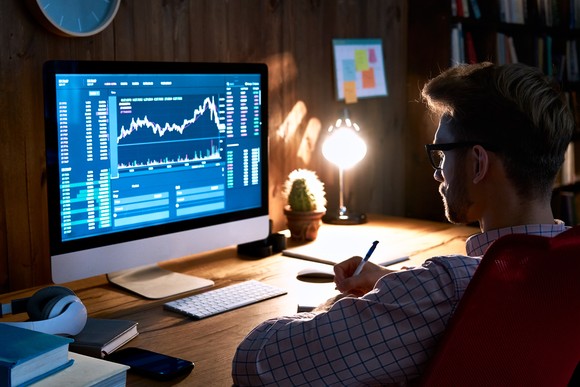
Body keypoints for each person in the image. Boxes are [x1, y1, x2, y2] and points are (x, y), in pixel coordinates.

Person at [232, 62, 574, 386]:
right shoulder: (564, 267)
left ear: (477, 164)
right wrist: (397, 284)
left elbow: (258, 363)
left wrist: (338, 305)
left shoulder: (444, 288)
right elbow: (488, 290)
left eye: (442, 155)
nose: (438, 173)